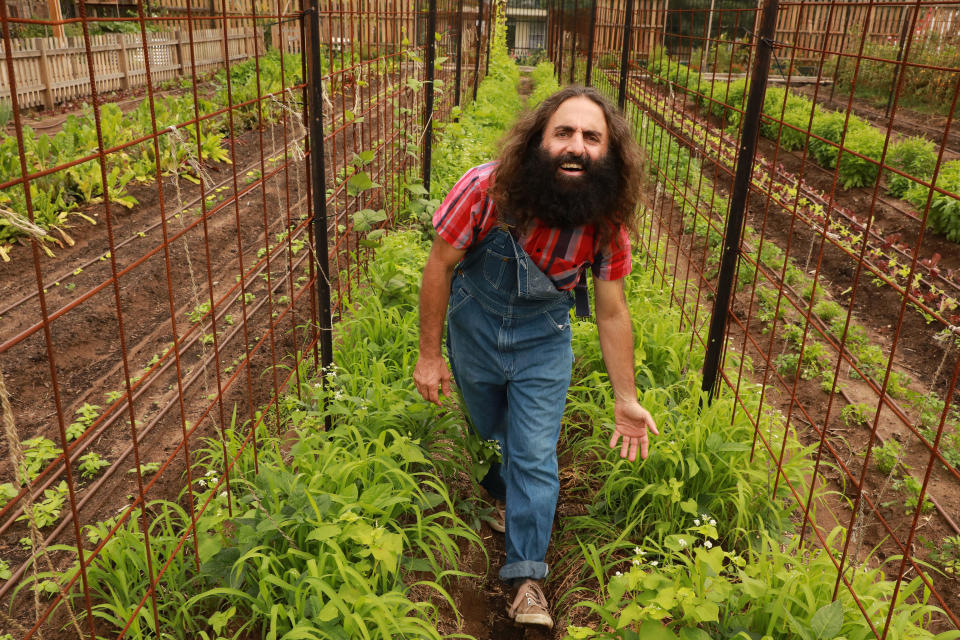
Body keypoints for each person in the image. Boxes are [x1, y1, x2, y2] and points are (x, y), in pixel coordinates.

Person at [413, 85, 658, 630]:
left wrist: (627, 399)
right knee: (489, 424)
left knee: (534, 452)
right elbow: (440, 266)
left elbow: (612, 312)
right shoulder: (487, 190)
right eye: (564, 132)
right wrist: (430, 357)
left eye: (592, 137)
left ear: (609, 153)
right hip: (473, 329)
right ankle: (504, 486)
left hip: (544, 342)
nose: (577, 146)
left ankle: (526, 579)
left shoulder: (606, 220)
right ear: (539, 141)